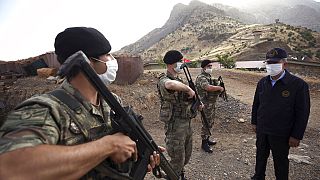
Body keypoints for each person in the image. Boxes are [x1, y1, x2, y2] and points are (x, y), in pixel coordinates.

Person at [0, 27, 162, 179]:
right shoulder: (46, 108)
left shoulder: (111, 102)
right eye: (107, 55)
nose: (113, 60)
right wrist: (108, 146)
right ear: (88, 62)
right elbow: (10, 168)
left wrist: (138, 154)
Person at [251, 48, 310, 180]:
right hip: (263, 130)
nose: (271, 66)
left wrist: (296, 135)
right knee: (260, 156)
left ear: (285, 64)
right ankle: (258, 176)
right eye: (268, 63)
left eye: (275, 63)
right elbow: (256, 104)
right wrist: (254, 122)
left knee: (281, 161)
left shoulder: (298, 85)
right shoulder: (262, 83)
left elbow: (302, 113)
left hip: (281, 133)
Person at [157, 50, 196, 179]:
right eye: (179, 61)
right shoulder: (164, 79)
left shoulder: (179, 79)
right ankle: (172, 176)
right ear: (172, 63)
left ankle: (179, 173)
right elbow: (170, 84)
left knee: (186, 155)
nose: (181, 63)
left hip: (186, 123)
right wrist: (188, 89)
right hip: (174, 125)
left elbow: (185, 99)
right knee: (177, 156)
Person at [195, 60, 224, 153]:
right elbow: (207, 87)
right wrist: (219, 88)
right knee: (206, 123)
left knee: (210, 122)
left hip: (210, 103)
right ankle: (204, 143)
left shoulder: (208, 76)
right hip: (205, 104)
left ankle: (207, 139)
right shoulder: (201, 77)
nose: (210, 67)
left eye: (211, 66)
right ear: (204, 67)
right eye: (208, 66)